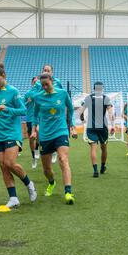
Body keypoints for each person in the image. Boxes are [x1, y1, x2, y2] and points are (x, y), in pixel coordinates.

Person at [0, 64, 37, 209]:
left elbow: (23, 110)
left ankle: (29, 184)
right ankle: (13, 198)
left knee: (10, 163)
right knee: (3, 166)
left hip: (12, 133)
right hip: (0, 135)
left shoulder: (13, 91)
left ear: (3, 76)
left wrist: (8, 109)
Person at [31, 73, 78, 204]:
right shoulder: (38, 97)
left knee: (63, 159)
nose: (45, 87)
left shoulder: (62, 93)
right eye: (43, 85)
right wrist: (34, 130)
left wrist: (72, 126)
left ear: (52, 81)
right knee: (47, 170)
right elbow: (35, 115)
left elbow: (71, 110)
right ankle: (52, 183)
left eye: (47, 84)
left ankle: (68, 192)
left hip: (61, 131)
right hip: (45, 135)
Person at [79, 81, 115, 177]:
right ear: (102, 88)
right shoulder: (106, 98)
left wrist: (82, 119)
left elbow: (80, 111)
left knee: (93, 148)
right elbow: (111, 114)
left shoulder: (88, 98)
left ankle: (95, 170)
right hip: (103, 127)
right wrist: (113, 126)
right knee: (104, 148)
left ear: (94, 88)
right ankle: (102, 167)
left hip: (91, 126)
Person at [32, 65, 63, 164]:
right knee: (38, 130)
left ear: (52, 73)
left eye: (48, 70)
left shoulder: (57, 82)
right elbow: (34, 96)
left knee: (55, 132)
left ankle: (54, 151)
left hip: (54, 112)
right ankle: (42, 148)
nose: (46, 71)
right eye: (45, 70)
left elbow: (61, 94)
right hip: (43, 112)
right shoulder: (38, 83)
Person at [24, 76, 40, 169]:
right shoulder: (28, 94)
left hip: (40, 117)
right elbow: (22, 106)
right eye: (34, 82)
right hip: (30, 118)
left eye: (37, 81)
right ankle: (33, 156)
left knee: (38, 131)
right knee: (31, 139)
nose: (36, 83)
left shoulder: (42, 92)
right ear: (32, 83)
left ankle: (37, 147)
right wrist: (27, 102)